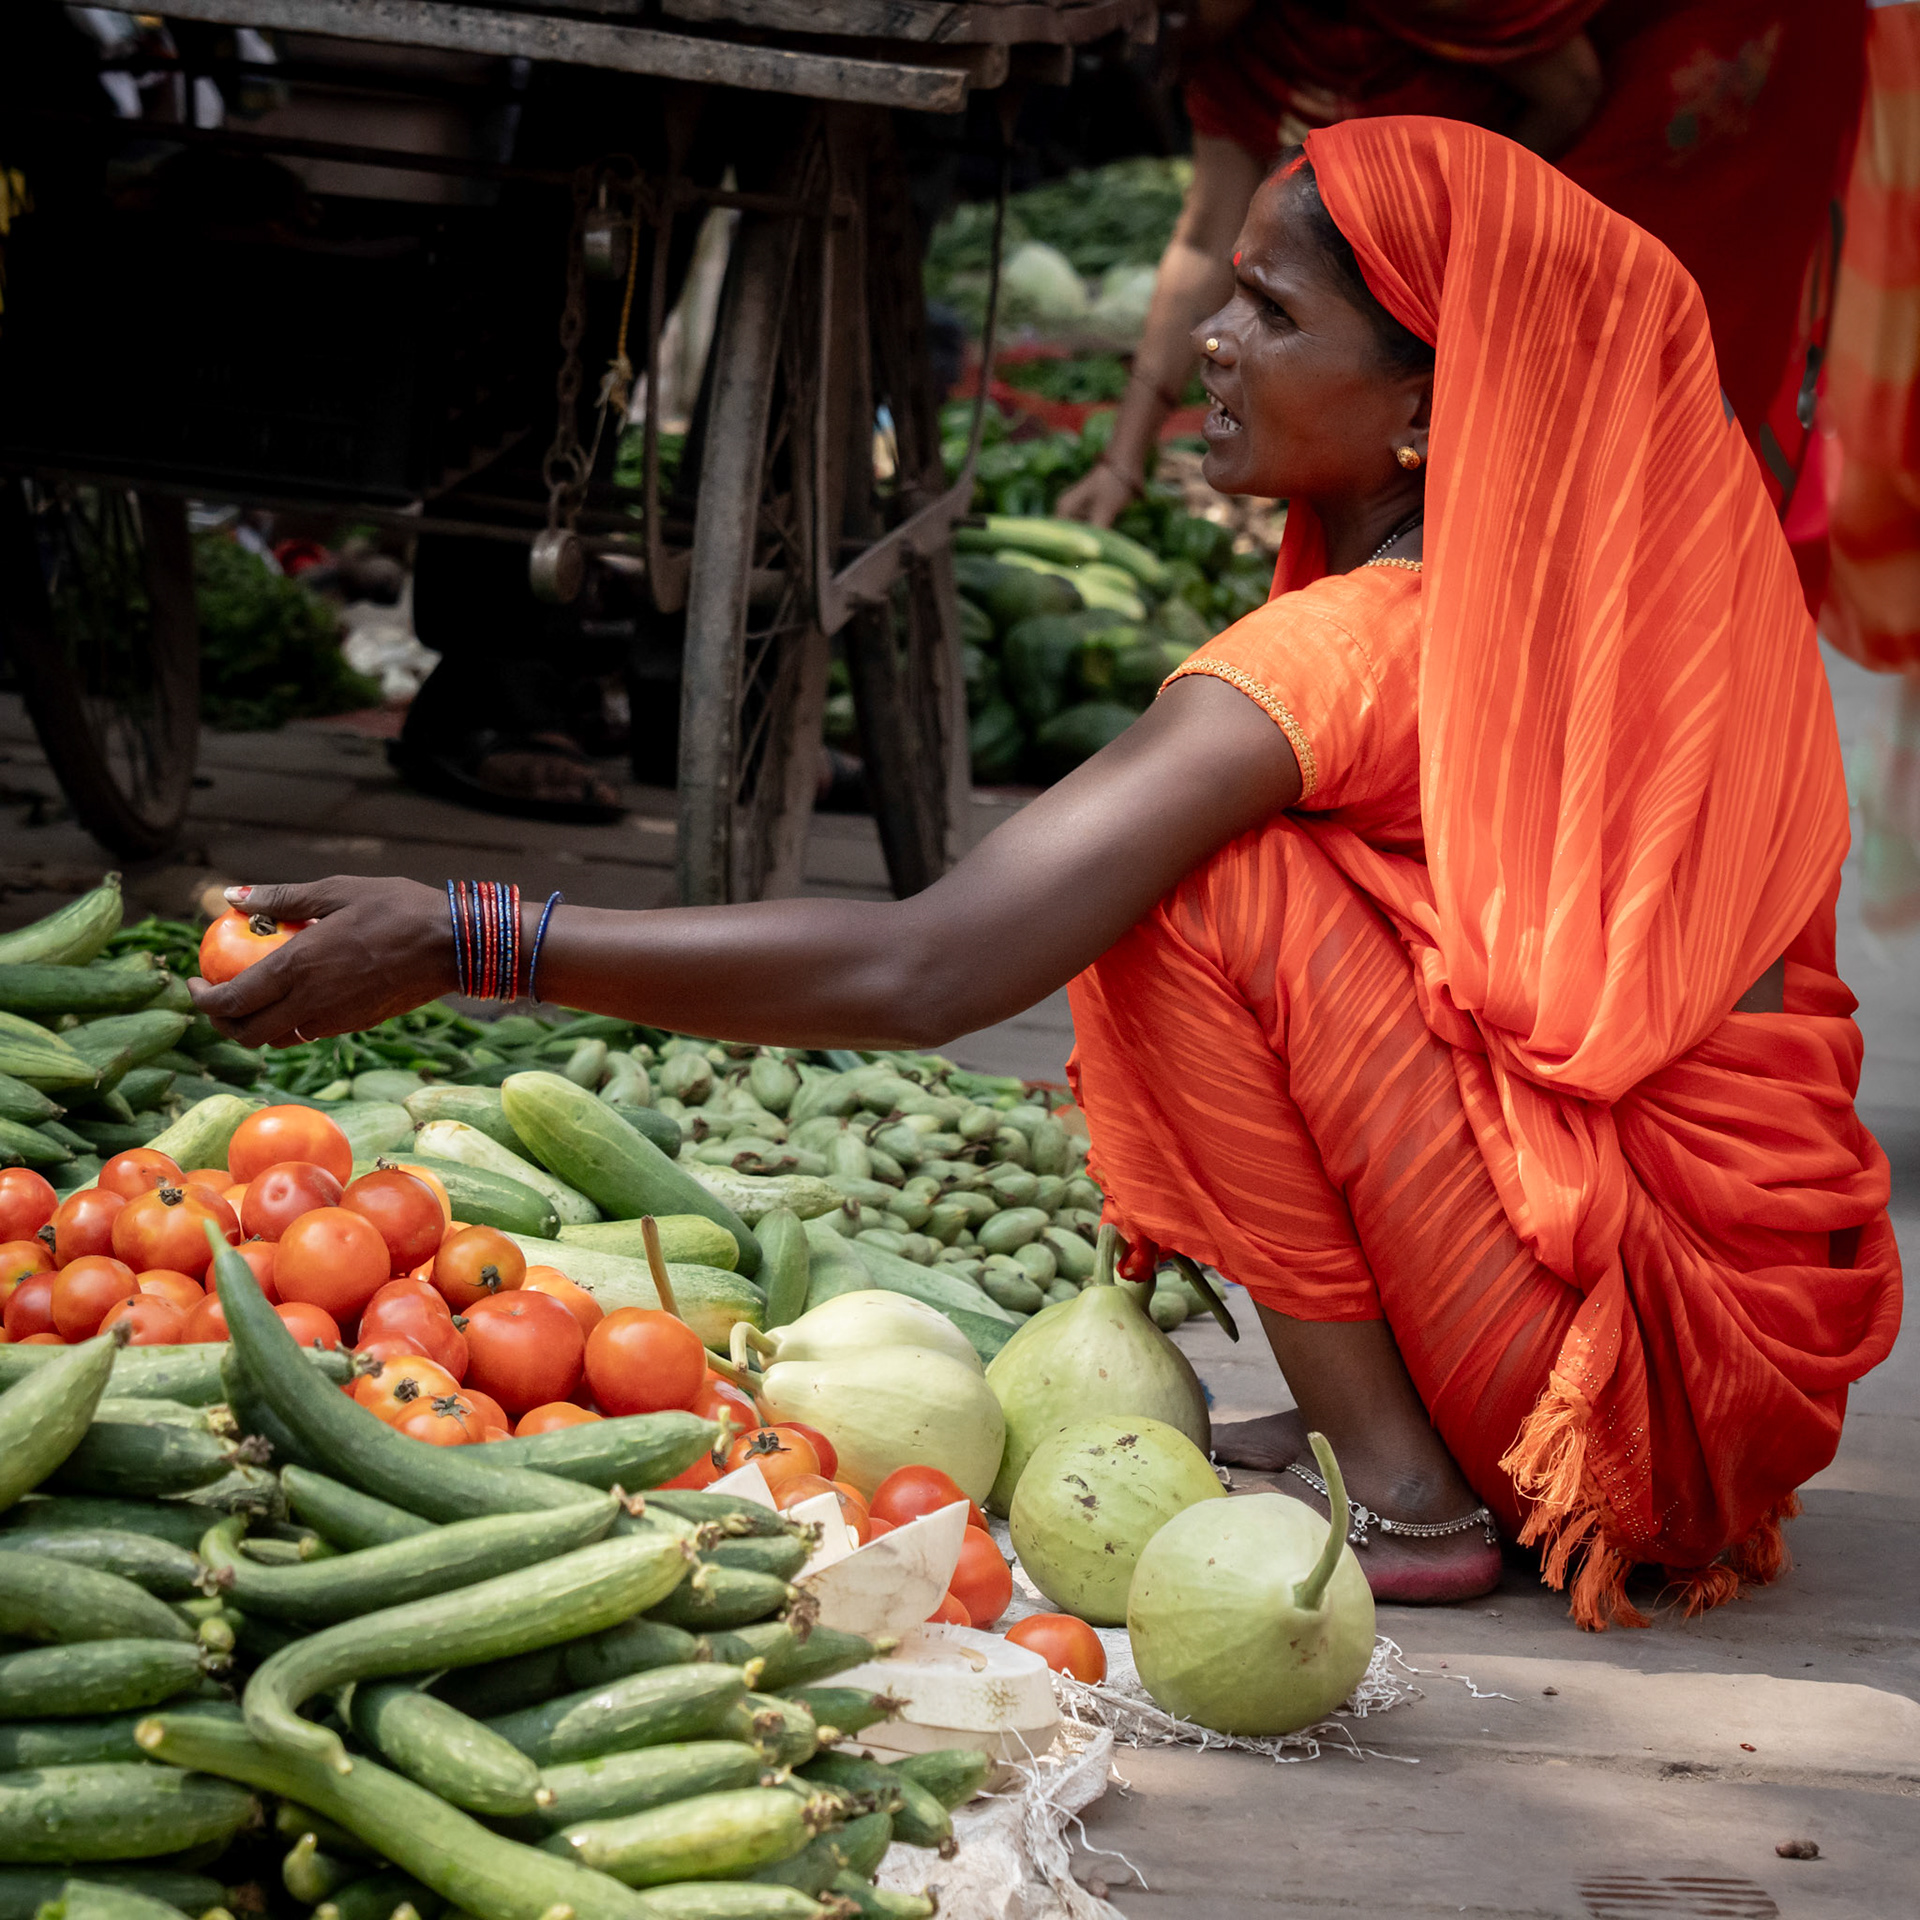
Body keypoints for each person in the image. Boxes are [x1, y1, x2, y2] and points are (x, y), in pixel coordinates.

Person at [193, 119, 1902, 1632]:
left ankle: (1406, 1494)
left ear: (1429, 413)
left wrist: (476, 934)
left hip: (1603, 1382)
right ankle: (1423, 1429)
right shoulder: (1648, 616)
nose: (1212, 346)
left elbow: (930, 967)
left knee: (1191, 886)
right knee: (1289, 880)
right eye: (1232, 294)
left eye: (1274, 316)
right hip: (1727, 1378)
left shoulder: (1353, 651)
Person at [1060, 0, 1864, 531]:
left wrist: (1446, 225)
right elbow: (1204, 239)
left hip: (1679, 72)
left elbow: (1574, 88)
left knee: (1633, 447)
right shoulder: (1232, 40)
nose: (1169, 20)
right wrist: (1120, 461)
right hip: (1451, 263)